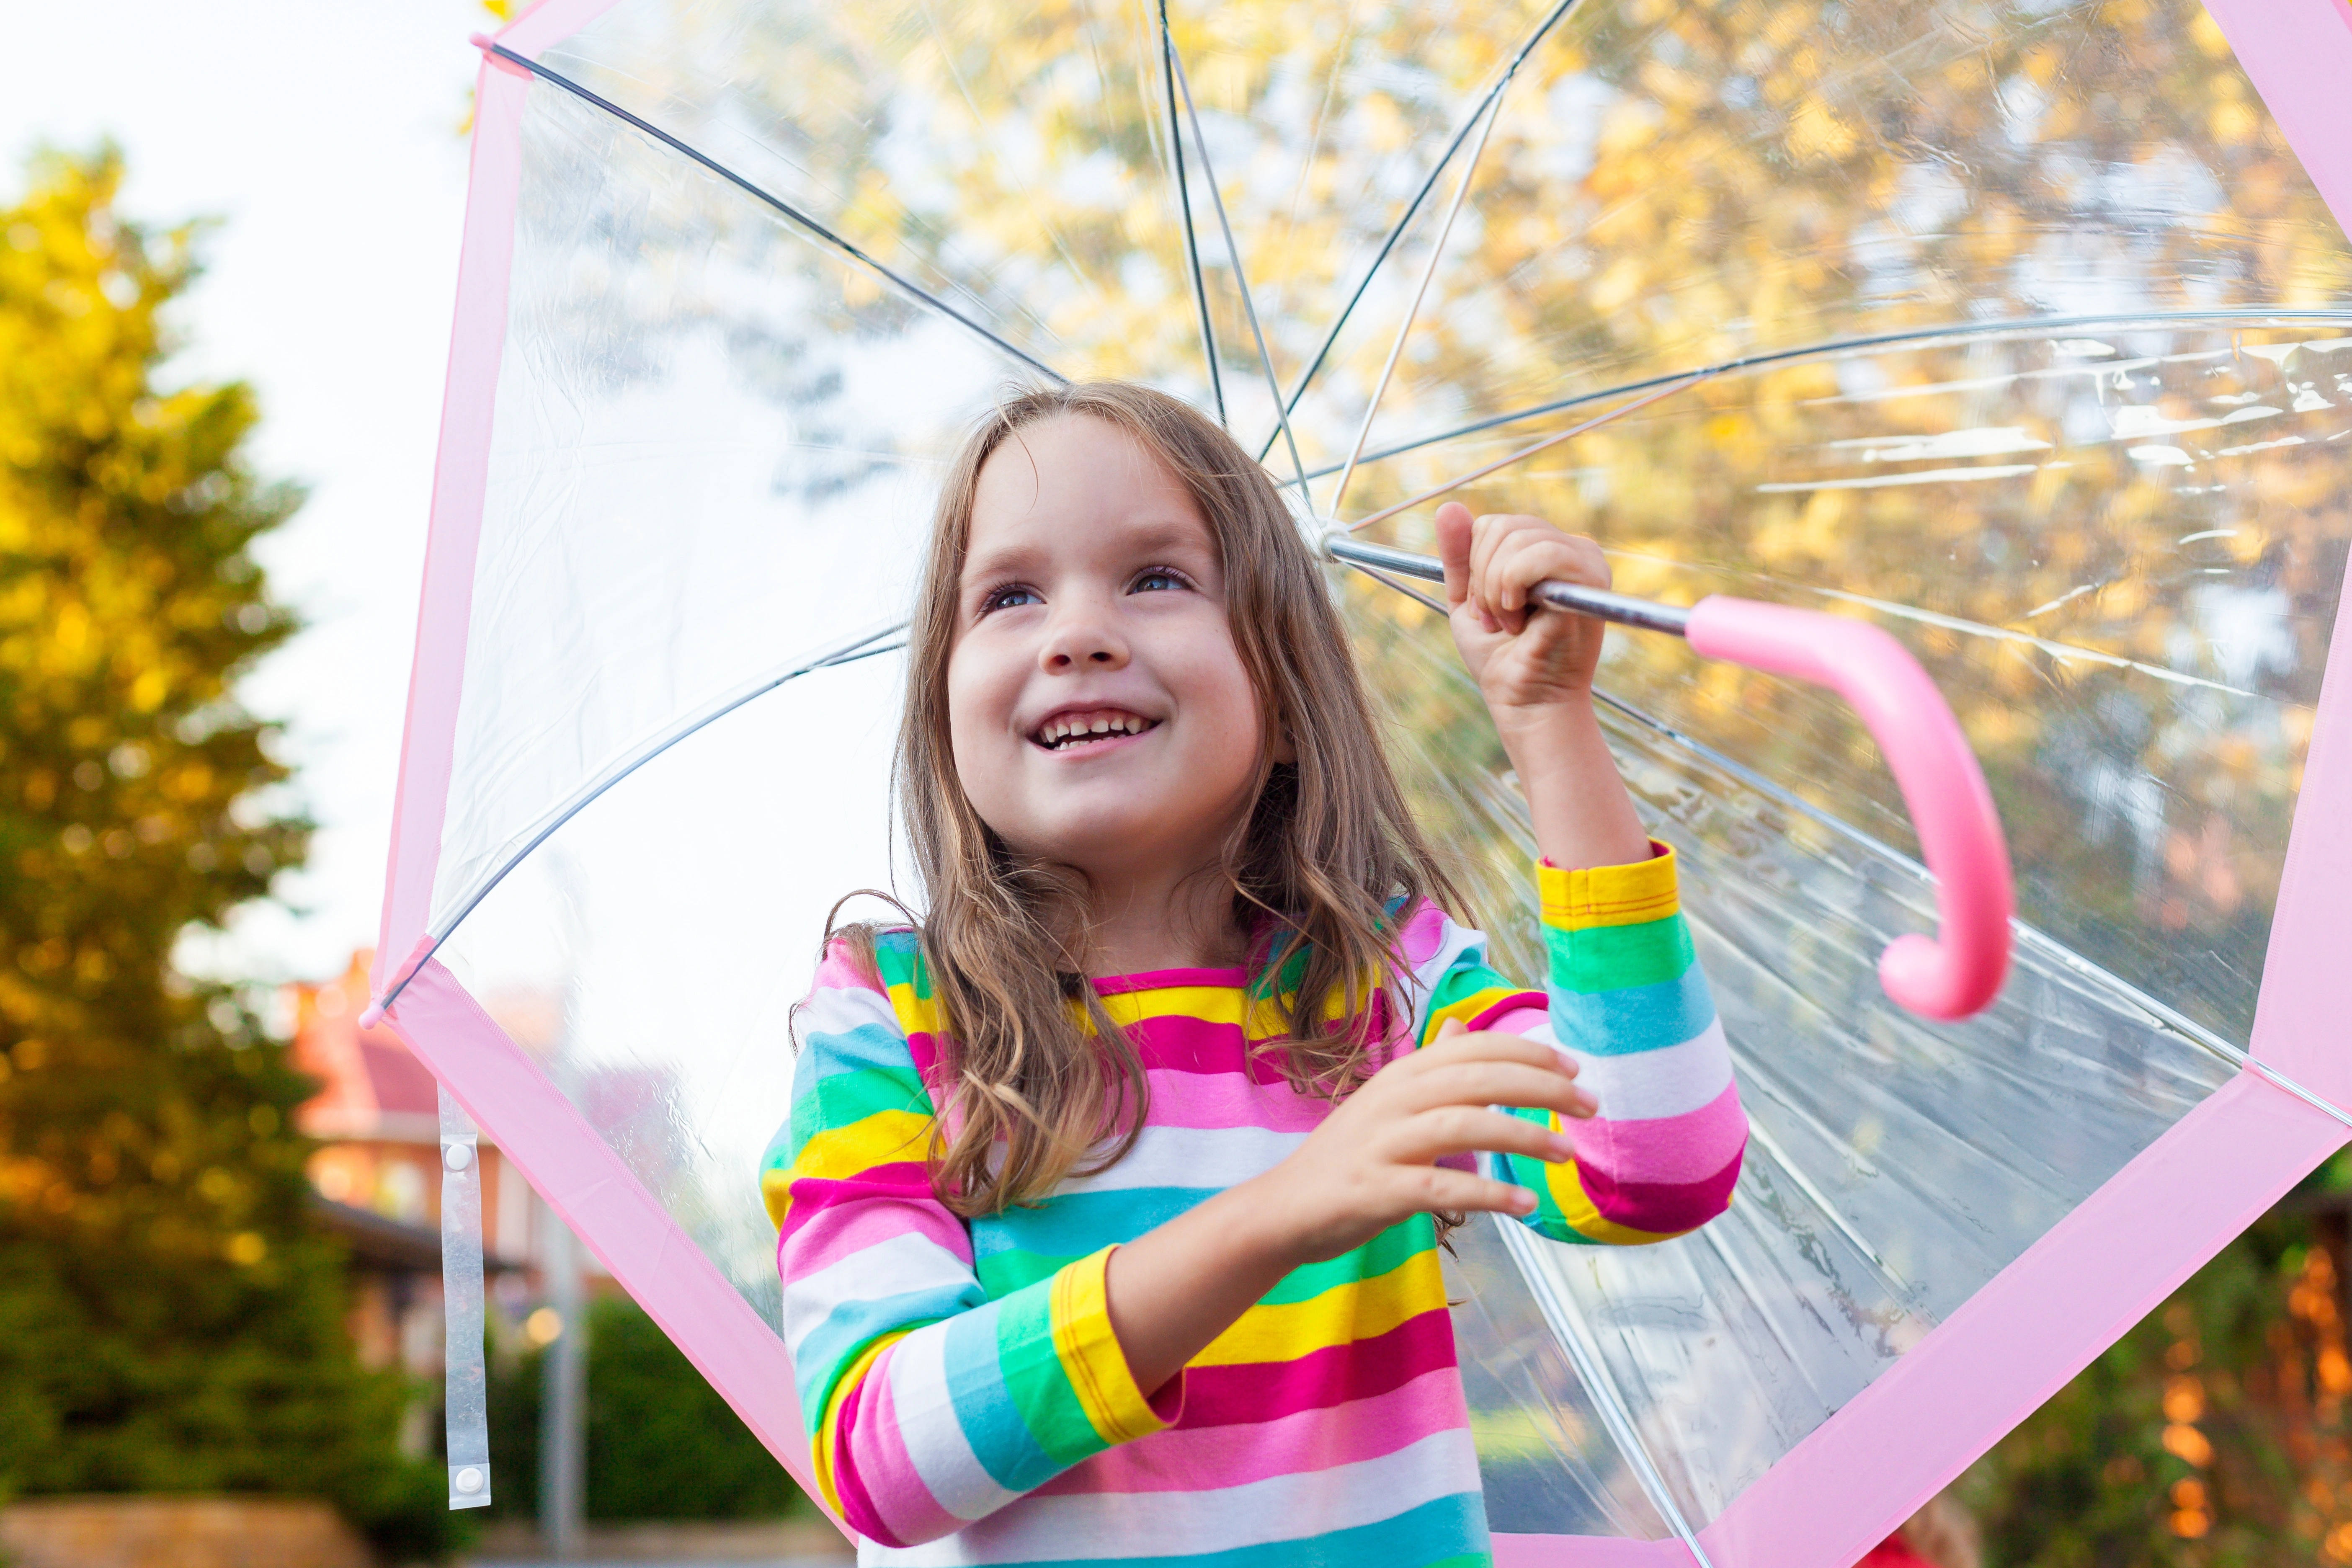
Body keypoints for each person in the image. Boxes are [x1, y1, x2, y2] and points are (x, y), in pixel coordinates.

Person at [760, 382, 1746, 1563]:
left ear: (1284, 693)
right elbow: (881, 1457)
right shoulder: (890, 1021)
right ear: (945, 710)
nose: (1078, 632)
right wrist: (1275, 1217)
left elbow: (1656, 1162)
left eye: (1158, 578)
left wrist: (1550, 725)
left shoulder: (1389, 986)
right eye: (1010, 595)